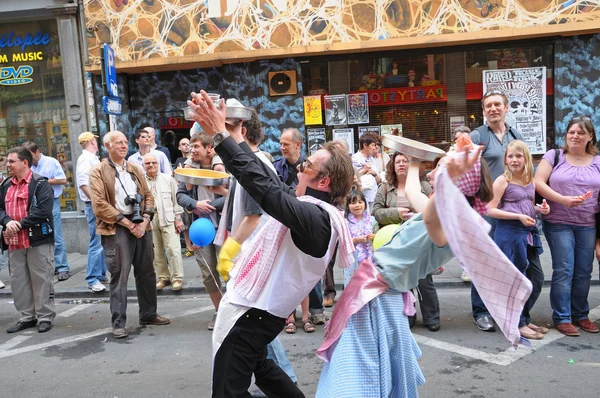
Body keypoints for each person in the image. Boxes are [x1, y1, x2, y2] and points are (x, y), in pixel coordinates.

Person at [317, 145, 532, 397]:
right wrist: (415, 159)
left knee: (360, 368)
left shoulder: (453, 224)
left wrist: (448, 179)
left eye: (439, 170)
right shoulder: (440, 209)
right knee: (372, 365)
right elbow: (411, 190)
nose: (432, 175)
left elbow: (430, 217)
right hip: (375, 289)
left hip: (379, 296)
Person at [187, 90, 355, 398]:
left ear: (324, 182)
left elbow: (266, 190)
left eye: (308, 165)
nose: (301, 165)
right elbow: (269, 182)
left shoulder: (318, 219)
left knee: (227, 392)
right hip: (260, 312)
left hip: (252, 314)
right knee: (261, 366)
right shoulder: (310, 210)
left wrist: (221, 135)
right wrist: (235, 136)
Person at [213, 106, 299, 394]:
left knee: (250, 338)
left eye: (222, 129)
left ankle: (286, 381)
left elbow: (253, 216)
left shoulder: (254, 164)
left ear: (242, 131)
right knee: (256, 347)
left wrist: (230, 247)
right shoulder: (249, 163)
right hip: (252, 262)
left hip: (252, 264)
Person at [89, 131, 170, 339]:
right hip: (116, 227)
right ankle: (118, 323)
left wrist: (144, 220)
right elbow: (98, 205)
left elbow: (148, 196)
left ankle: (149, 314)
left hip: (141, 224)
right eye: (119, 143)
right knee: (119, 275)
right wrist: (126, 222)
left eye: (125, 142)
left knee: (147, 273)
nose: (124, 146)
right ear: (108, 146)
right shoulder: (98, 171)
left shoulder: (134, 168)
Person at [534, 116, 600, 336]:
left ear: (590, 136)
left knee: (584, 271)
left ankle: (580, 314)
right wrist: (563, 200)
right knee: (564, 270)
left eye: (581, 133)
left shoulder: (598, 160)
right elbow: (538, 182)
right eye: (571, 132)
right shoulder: (554, 156)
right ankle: (562, 317)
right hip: (558, 222)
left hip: (588, 224)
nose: (575, 136)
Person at [469, 90, 524, 332]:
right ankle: (480, 311)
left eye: (497, 105)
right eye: (488, 106)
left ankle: (501, 309)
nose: (493, 109)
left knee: (507, 261)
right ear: (483, 111)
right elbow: (465, 168)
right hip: (484, 208)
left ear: (506, 108)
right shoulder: (476, 135)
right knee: (483, 260)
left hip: (510, 207)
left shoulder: (515, 135)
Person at [487, 140, 550, 340]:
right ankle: (517, 323)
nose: (514, 160)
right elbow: (490, 209)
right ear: (505, 159)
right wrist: (518, 217)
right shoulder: (502, 181)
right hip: (509, 235)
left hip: (528, 234)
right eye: (510, 156)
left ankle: (524, 316)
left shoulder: (530, 180)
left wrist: (541, 210)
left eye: (518, 156)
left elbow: (529, 205)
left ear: (526, 158)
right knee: (516, 280)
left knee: (536, 279)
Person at [372, 151, 441, 331]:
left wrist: (417, 215)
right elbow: (376, 212)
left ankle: (432, 317)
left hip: (421, 239)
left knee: (425, 280)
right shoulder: (385, 188)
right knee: (402, 282)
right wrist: (396, 213)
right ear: (392, 166)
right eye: (398, 162)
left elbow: (435, 209)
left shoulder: (424, 186)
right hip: (397, 241)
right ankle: (408, 317)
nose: (401, 164)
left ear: (412, 166)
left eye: (405, 161)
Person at [0, 147, 56, 333]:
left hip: (37, 240)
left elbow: (44, 210)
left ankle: (45, 317)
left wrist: (19, 224)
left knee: (41, 278)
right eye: (7, 161)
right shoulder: (6, 185)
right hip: (14, 242)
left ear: (24, 162)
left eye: (11, 161)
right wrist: (7, 222)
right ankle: (27, 317)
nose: (7, 165)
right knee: (19, 280)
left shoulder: (40, 183)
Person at [176, 132, 226, 330]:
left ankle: (232, 312)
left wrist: (211, 205)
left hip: (223, 227)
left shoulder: (223, 167)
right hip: (200, 229)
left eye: (196, 146)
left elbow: (235, 195)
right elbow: (180, 195)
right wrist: (195, 203)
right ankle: (219, 312)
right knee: (208, 274)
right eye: (191, 146)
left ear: (209, 148)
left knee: (229, 272)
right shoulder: (190, 170)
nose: (192, 149)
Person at [22, 141, 70, 281]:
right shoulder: (29, 166)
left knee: (56, 235)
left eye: (30, 155)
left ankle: (62, 267)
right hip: (35, 203)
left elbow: (62, 180)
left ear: (36, 151)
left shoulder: (51, 162)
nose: (29, 159)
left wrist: (43, 182)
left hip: (52, 202)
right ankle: (50, 265)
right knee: (41, 235)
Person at [143, 153, 185, 291]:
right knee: (156, 251)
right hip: (150, 220)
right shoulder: (141, 182)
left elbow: (176, 200)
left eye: (153, 163)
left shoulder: (168, 179)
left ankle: (177, 278)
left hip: (168, 218)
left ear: (158, 164)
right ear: (143, 166)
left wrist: (178, 219)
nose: (151, 165)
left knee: (173, 249)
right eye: (148, 163)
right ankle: (163, 278)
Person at [75, 132, 108, 292]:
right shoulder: (86, 159)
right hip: (93, 205)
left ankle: (100, 275)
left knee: (100, 241)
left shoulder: (90, 158)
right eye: (95, 139)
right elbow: (82, 183)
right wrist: (96, 202)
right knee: (96, 242)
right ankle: (93, 278)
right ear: (92, 142)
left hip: (95, 204)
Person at [344, 189, 374, 287]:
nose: (357, 205)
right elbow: (344, 241)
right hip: (353, 259)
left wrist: (373, 237)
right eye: (353, 203)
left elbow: (378, 235)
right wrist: (357, 240)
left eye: (360, 202)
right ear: (348, 206)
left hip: (370, 258)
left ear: (365, 204)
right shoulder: (346, 222)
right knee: (354, 286)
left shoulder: (371, 220)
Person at [352, 133, 381, 210]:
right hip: (362, 198)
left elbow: (379, 180)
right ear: (365, 145)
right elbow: (352, 178)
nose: (374, 148)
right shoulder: (355, 159)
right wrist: (364, 170)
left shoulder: (372, 159)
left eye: (375, 145)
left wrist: (374, 173)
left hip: (374, 196)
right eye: (372, 145)